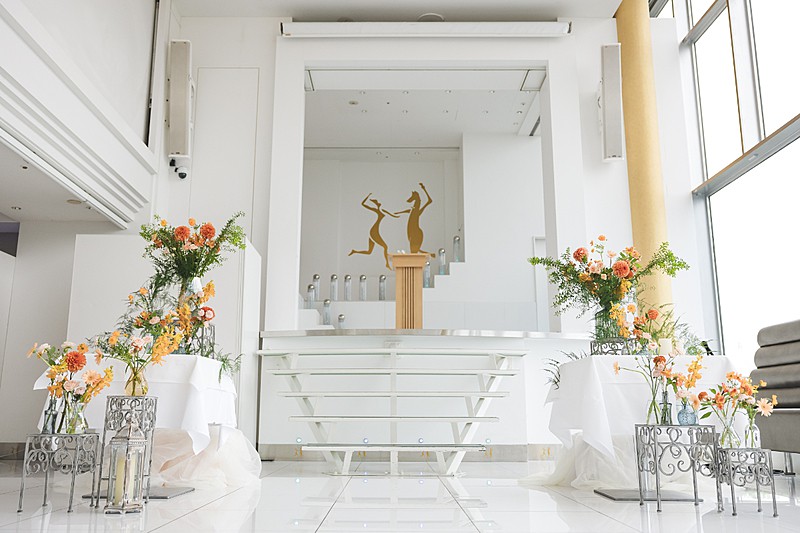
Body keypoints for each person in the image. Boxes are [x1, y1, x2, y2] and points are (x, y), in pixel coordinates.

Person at [348, 193, 399, 269]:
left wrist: (395, 216)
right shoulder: (377, 210)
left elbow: (390, 214)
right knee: (385, 247)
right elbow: (363, 204)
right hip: (374, 231)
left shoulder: (382, 210)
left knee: (369, 252)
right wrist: (367, 196)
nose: (379, 203)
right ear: (376, 204)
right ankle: (387, 264)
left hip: (374, 232)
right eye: (377, 202)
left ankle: (354, 251)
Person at [395, 182, 435, 256]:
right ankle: (427, 254)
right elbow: (410, 211)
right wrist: (399, 212)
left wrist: (424, 188)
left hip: (414, 231)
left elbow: (428, 201)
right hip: (412, 230)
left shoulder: (416, 210)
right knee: (414, 252)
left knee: (413, 253)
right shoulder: (415, 210)